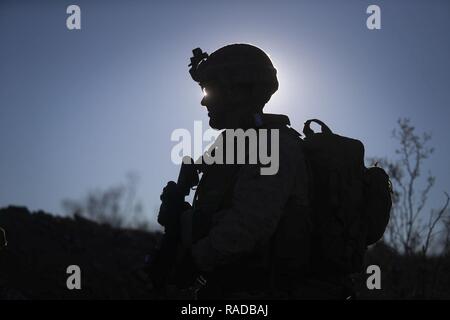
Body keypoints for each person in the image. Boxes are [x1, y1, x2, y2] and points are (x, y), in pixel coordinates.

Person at [157, 43, 312, 299]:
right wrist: (182, 220)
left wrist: (194, 261)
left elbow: (250, 224)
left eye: (209, 90)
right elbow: (227, 214)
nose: (203, 100)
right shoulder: (235, 147)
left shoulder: (273, 145)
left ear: (237, 91)